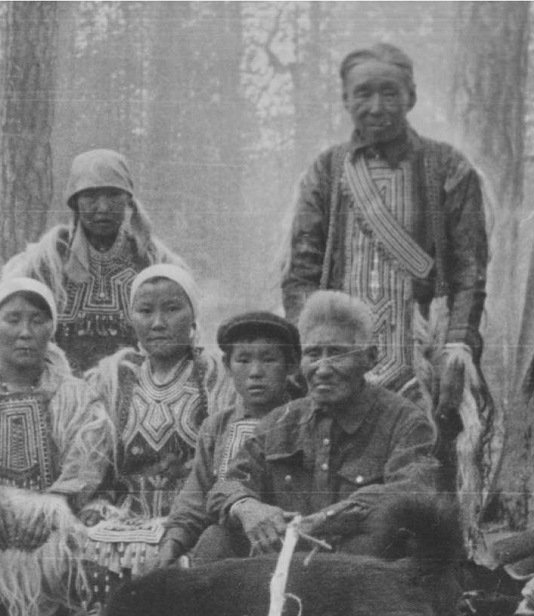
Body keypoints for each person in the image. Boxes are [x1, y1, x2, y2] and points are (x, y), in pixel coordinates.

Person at [282, 43, 492, 532]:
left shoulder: (447, 167)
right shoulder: (327, 171)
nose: (376, 106)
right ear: (345, 99)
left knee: (430, 460)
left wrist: (458, 347)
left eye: (389, 93)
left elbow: (469, 271)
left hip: (421, 350)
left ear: (411, 96)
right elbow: (301, 272)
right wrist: (310, 345)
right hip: (342, 351)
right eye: (363, 94)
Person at [215, 291, 440, 556]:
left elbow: (412, 491)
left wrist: (327, 519)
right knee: (215, 539)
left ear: (370, 358)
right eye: (313, 354)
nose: (322, 369)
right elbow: (227, 484)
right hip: (287, 563)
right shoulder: (279, 421)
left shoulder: (405, 422)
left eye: (336, 354)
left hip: (361, 566)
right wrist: (246, 507)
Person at [81, 264, 234, 594]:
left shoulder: (216, 379)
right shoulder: (113, 381)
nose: (158, 323)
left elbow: (226, 469)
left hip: (193, 523)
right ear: (131, 318)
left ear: (193, 316)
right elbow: (95, 471)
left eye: (172, 309)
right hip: (122, 522)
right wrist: (96, 510)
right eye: (145, 311)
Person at [0, 277, 112, 616]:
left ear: (52, 329)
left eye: (37, 320)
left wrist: (54, 506)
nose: (25, 332)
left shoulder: (77, 395)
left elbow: (87, 460)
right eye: (13, 319)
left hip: (59, 524)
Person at [1, 148, 185, 373]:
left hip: (139, 387)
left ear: (128, 200)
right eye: (91, 197)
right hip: (58, 388)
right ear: (75, 202)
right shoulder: (46, 262)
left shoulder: (155, 261)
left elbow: (181, 337)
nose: (103, 208)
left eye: (113, 195)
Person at [159, 312, 302, 565]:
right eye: (243, 360)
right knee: (212, 541)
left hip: (290, 543)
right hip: (229, 549)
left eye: (269, 359)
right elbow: (195, 498)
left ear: (291, 365)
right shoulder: (217, 426)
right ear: (227, 366)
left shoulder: (305, 420)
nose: (255, 372)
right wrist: (173, 542)